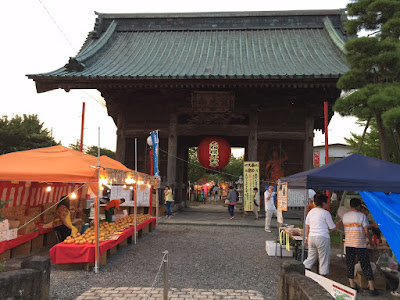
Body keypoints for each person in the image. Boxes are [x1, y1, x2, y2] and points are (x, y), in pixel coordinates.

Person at [343, 198, 378, 296]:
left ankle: (352, 286)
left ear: (350, 205)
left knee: (350, 264)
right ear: (358, 206)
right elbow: (366, 231)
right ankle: (371, 288)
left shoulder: (345, 216)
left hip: (349, 244)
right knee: (366, 265)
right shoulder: (362, 216)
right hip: (360, 244)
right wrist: (371, 241)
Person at [303, 194, 336, 276]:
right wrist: (338, 223)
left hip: (311, 237)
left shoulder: (311, 212)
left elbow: (307, 225)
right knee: (324, 259)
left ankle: (303, 270)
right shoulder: (326, 213)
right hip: (322, 237)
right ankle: (323, 277)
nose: (328, 204)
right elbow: (332, 227)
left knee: (311, 257)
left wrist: (306, 237)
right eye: (327, 202)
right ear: (323, 203)